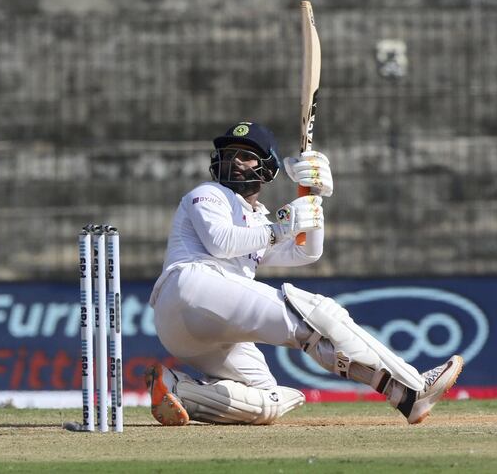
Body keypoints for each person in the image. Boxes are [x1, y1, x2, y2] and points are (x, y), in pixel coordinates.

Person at [144, 120, 463, 426]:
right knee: (318, 312)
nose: (234, 162)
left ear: (267, 168)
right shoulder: (209, 194)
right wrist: (281, 226)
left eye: (246, 156)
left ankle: (178, 389)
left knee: (269, 398)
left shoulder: (257, 219)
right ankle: (411, 385)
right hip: (189, 287)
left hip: (192, 333)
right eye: (229, 155)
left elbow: (306, 252)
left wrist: (312, 197)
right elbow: (221, 242)